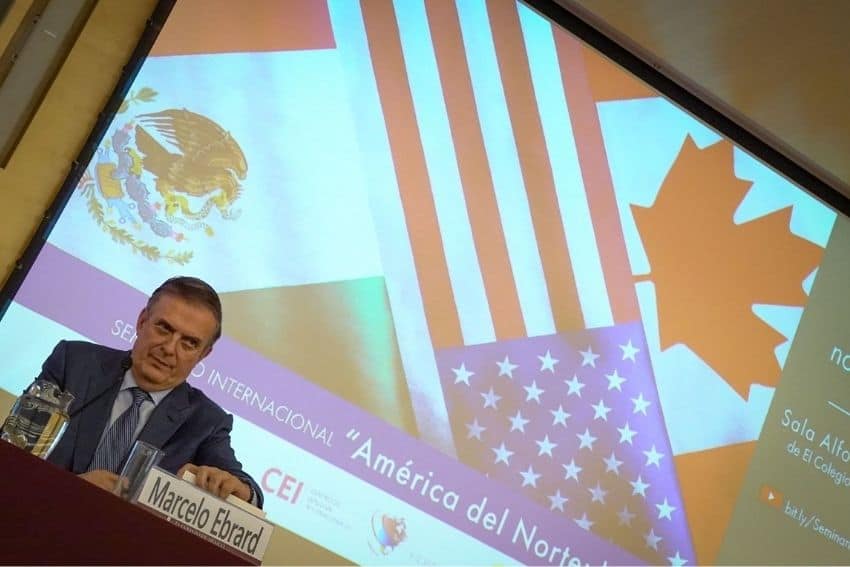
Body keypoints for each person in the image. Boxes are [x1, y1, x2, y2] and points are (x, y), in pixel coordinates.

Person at [34, 276, 262, 507]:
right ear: (142, 321)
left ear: (203, 354)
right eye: (164, 328)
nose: (169, 349)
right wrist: (72, 489)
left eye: (189, 343)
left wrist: (242, 490)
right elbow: (14, 446)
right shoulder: (74, 364)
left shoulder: (205, 421)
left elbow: (246, 488)